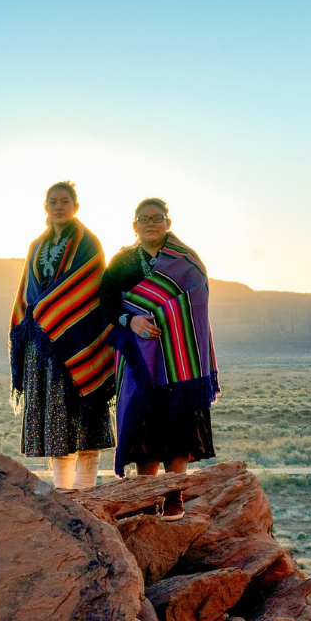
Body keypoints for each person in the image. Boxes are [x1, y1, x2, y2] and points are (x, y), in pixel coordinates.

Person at [100, 197, 219, 520]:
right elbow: (108, 305)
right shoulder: (122, 261)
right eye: (144, 219)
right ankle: (145, 496)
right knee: (143, 422)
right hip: (138, 355)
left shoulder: (187, 261)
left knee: (177, 422)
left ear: (168, 222)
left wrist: (170, 321)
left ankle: (174, 495)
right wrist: (132, 321)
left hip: (180, 357)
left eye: (157, 218)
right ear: (134, 225)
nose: (150, 223)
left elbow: (198, 302)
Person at [9, 181, 116, 492]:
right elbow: (27, 293)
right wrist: (36, 318)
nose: (59, 206)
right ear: (46, 207)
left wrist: (47, 311)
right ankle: (62, 493)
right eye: (53, 201)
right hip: (42, 347)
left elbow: (88, 284)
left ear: (75, 206)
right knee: (54, 416)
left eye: (65, 201)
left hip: (79, 340)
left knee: (85, 415)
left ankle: (85, 491)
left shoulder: (89, 243)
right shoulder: (36, 246)